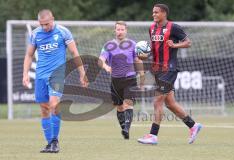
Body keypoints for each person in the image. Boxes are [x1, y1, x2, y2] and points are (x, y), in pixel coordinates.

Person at [22, 9, 88, 153]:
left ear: (52, 19)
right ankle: (49, 143)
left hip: (57, 75)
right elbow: (29, 55)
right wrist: (25, 74)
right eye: (42, 24)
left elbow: (74, 53)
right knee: (44, 109)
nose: (44, 27)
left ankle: (55, 141)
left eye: (47, 24)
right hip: (40, 76)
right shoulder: (35, 34)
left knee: (54, 104)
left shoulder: (63, 32)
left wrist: (82, 73)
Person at [137, 4, 202, 145]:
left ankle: (153, 135)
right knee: (170, 104)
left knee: (157, 101)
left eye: (156, 12)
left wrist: (175, 45)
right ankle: (193, 125)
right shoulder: (152, 28)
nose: (153, 14)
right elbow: (154, 48)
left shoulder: (174, 27)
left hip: (169, 69)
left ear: (164, 13)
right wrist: (144, 55)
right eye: (153, 12)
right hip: (157, 70)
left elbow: (188, 42)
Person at [99, 21, 144, 139]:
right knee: (119, 106)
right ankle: (124, 127)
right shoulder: (108, 45)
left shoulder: (133, 44)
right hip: (115, 80)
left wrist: (142, 76)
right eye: (118, 29)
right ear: (115, 31)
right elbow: (101, 60)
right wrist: (106, 66)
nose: (120, 32)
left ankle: (126, 129)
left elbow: (138, 61)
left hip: (130, 78)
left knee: (128, 104)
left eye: (122, 29)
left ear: (126, 30)